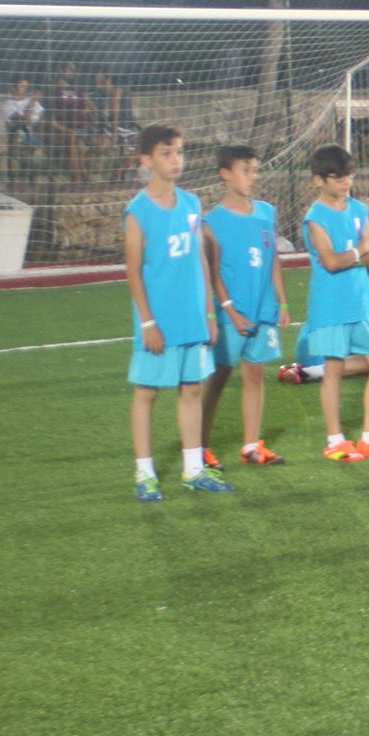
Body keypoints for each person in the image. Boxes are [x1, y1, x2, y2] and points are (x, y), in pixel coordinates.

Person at [122, 125, 232, 501]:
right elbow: (133, 271)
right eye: (167, 153)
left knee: (191, 389)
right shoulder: (138, 211)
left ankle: (193, 469)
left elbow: (200, 259)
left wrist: (210, 314)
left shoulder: (191, 203)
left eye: (180, 152)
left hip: (192, 317)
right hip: (160, 322)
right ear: (146, 160)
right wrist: (148, 322)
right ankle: (144, 473)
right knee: (147, 392)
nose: (176, 160)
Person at [303, 145, 369, 463]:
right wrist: (358, 253)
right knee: (333, 370)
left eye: (348, 176)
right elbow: (330, 262)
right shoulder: (315, 217)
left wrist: (354, 255)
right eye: (337, 177)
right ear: (319, 181)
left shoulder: (357, 209)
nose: (345, 182)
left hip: (360, 302)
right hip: (330, 306)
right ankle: (335, 440)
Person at [201, 145, 290, 468]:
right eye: (246, 170)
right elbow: (212, 271)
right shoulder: (211, 221)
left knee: (255, 374)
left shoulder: (266, 212)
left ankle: (252, 445)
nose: (253, 176)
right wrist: (230, 311)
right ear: (225, 174)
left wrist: (281, 301)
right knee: (219, 377)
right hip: (230, 313)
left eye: (255, 170)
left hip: (263, 309)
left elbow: (273, 260)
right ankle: (199, 448)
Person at [53, 64, 91, 182]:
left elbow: (86, 105)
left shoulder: (75, 89)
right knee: (73, 139)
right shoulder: (55, 89)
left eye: (74, 70)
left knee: (79, 144)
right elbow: (53, 118)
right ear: (61, 70)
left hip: (79, 127)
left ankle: (80, 175)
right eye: (70, 70)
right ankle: (78, 175)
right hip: (62, 129)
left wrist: (87, 108)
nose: (72, 73)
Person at [3, 78, 43, 179]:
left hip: (38, 129)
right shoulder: (8, 104)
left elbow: (43, 116)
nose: (25, 89)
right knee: (22, 135)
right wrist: (32, 101)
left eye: (26, 87)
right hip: (22, 131)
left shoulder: (31, 100)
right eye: (22, 86)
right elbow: (25, 120)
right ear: (13, 88)